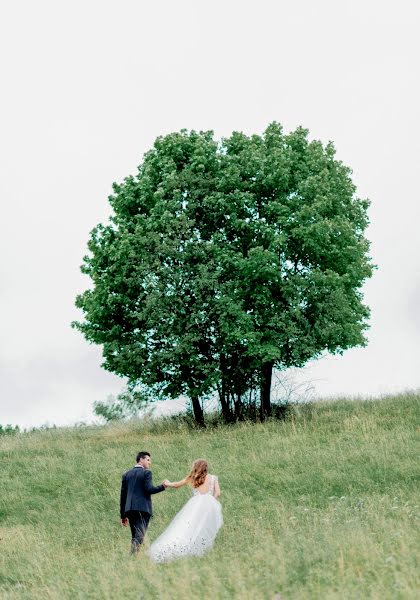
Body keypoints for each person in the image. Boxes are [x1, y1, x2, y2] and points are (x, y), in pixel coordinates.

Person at [149, 459, 223, 563]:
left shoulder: (192, 478)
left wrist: (167, 483)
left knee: (189, 527)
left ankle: (184, 548)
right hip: (209, 506)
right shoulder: (213, 478)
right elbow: (218, 493)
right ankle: (200, 549)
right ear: (206, 468)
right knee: (204, 527)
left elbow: (177, 485)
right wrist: (211, 502)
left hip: (195, 506)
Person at [120, 451, 169, 554]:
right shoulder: (147, 473)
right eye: (148, 460)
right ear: (141, 459)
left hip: (129, 510)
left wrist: (123, 515)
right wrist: (163, 486)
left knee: (135, 535)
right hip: (142, 509)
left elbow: (123, 496)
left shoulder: (126, 474)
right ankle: (132, 558)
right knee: (139, 536)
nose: (149, 463)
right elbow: (149, 489)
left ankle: (133, 558)